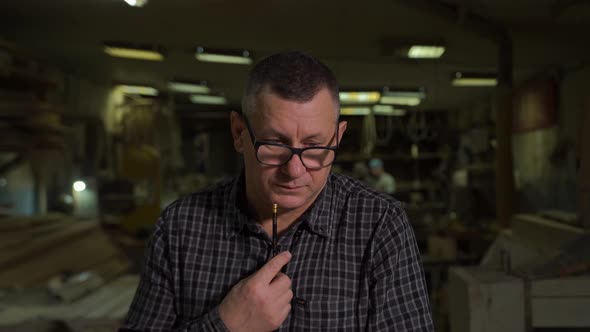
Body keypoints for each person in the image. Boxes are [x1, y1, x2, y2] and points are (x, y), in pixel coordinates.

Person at [120, 51, 433, 331]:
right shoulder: (179, 228)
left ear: (337, 138)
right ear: (239, 133)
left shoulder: (380, 225)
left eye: (314, 147)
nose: (294, 171)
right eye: (274, 145)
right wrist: (227, 326)